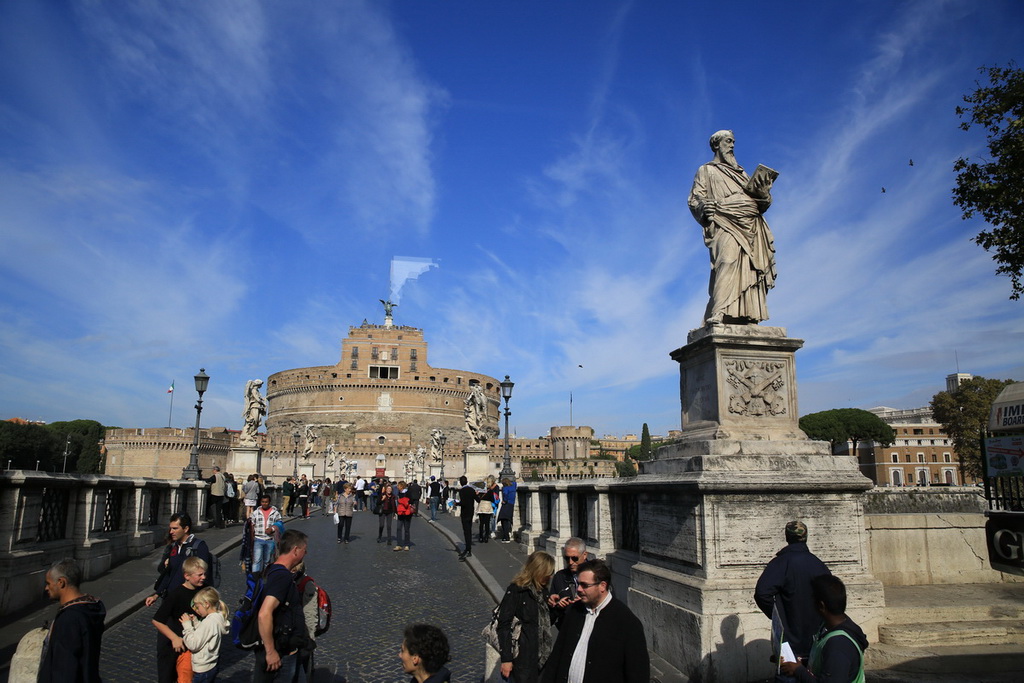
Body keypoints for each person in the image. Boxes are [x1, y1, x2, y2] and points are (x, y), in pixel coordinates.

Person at [688, 129, 777, 326]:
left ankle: (749, 315)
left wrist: (764, 193)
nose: (732, 145)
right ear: (716, 144)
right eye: (728, 141)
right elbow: (696, 198)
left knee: (750, 268)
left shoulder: (743, 174)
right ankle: (718, 312)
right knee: (726, 262)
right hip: (725, 222)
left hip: (751, 225)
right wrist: (703, 207)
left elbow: (760, 204)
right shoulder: (707, 170)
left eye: (733, 142)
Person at [541, 559, 649, 683]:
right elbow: (557, 655)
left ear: (602, 586)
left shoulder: (627, 623)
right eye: (578, 584)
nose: (579, 589)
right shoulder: (574, 611)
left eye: (584, 585)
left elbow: (637, 673)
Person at [754, 520, 832, 665]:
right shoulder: (818, 564)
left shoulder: (781, 563)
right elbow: (831, 596)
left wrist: (778, 616)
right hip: (815, 640)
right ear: (806, 537)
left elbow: (762, 593)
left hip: (789, 643)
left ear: (787, 537)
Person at [780, 575, 869, 683]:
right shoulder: (828, 628)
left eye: (812, 600)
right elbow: (825, 664)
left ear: (821, 606)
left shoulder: (838, 645)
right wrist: (797, 663)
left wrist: (798, 671)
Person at [254, 529, 310, 681]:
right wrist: (271, 651)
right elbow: (264, 613)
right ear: (296, 550)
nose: (305, 554)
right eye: (305, 550)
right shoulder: (281, 576)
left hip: (291, 649)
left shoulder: (274, 570)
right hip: (282, 654)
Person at [38, 558, 105, 683]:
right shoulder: (90, 607)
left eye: (48, 583)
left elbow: (65, 668)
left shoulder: (69, 619)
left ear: (61, 582)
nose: (46, 588)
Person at [497, 551, 556, 683]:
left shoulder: (543, 591)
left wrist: (555, 607)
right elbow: (503, 625)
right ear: (538, 571)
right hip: (523, 658)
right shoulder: (517, 590)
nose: (550, 577)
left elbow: (546, 622)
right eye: (548, 573)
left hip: (542, 656)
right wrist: (506, 659)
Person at [152, 556, 206, 683]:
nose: (203, 577)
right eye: (200, 575)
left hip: (192, 643)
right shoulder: (176, 594)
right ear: (187, 576)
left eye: (204, 574)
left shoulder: (205, 590)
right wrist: (174, 638)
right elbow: (157, 620)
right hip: (174, 643)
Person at [147, 512, 213, 607]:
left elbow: (203, 576)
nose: (171, 532)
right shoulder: (173, 547)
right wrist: (156, 594)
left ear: (186, 529)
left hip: (187, 601)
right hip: (170, 598)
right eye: (171, 528)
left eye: (175, 528)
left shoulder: (199, 547)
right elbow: (169, 574)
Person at [180, 586, 230, 683]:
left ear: (206, 604)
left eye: (198, 607)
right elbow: (206, 634)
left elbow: (193, 644)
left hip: (203, 669)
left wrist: (187, 626)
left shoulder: (209, 622)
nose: (197, 610)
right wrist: (196, 622)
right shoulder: (217, 617)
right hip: (212, 665)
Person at [547, 538, 588, 629]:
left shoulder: (596, 574)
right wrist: (556, 606)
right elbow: (549, 618)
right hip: (567, 628)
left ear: (584, 555)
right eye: (566, 558)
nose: (570, 562)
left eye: (574, 558)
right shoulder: (560, 577)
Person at [249, 494, 284, 575]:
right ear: (260, 502)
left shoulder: (275, 512)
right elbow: (251, 524)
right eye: (263, 502)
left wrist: (272, 529)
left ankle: (265, 576)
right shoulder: (255, 513)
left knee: (267, 561)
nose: (264, 504)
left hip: (270, 539)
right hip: (258, 539)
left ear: (269, 502)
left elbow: (280, 523)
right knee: (256, 560)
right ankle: (255, 578)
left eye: (266, 502)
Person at [457, 476, 476, 561]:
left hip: (464, 513)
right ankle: (468, 549)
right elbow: (478, 500)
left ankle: (468, 550)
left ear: (461, 483)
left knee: (466, 531)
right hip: (471, 512)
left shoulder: (462, 491)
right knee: (469, 530)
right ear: (467, 481)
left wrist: (456, 504)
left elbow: (463, 503)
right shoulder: (472, 490)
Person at [476, 475, 497, 543]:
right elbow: (493, 500)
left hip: (481, 507)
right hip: (488, 507)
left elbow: (478, 500)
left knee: (481, 523)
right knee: (487, 523)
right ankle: (486, 537)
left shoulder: (481, 491)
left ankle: (481, 537)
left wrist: (477, 494)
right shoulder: (490, 491)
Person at [497, 477, 517, 542]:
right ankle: (506, 535)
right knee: (507, 520)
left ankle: (506, 537)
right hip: (511, 504)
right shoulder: (513, 487)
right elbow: (515, 483)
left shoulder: (505, 488)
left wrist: (504, 501)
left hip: (506, 505)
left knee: (504, 520)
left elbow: (505, 495)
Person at [395, 480, 414, 551]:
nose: (397, 487)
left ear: (402, 486)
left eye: (398, 486)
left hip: (407, 513)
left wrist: (404, 502)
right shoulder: (398, 493)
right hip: (400, 512)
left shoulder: (408, 492)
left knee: (406, 529)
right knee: (398, 528)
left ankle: (407, 544)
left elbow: (411, 501)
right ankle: (399, 544)